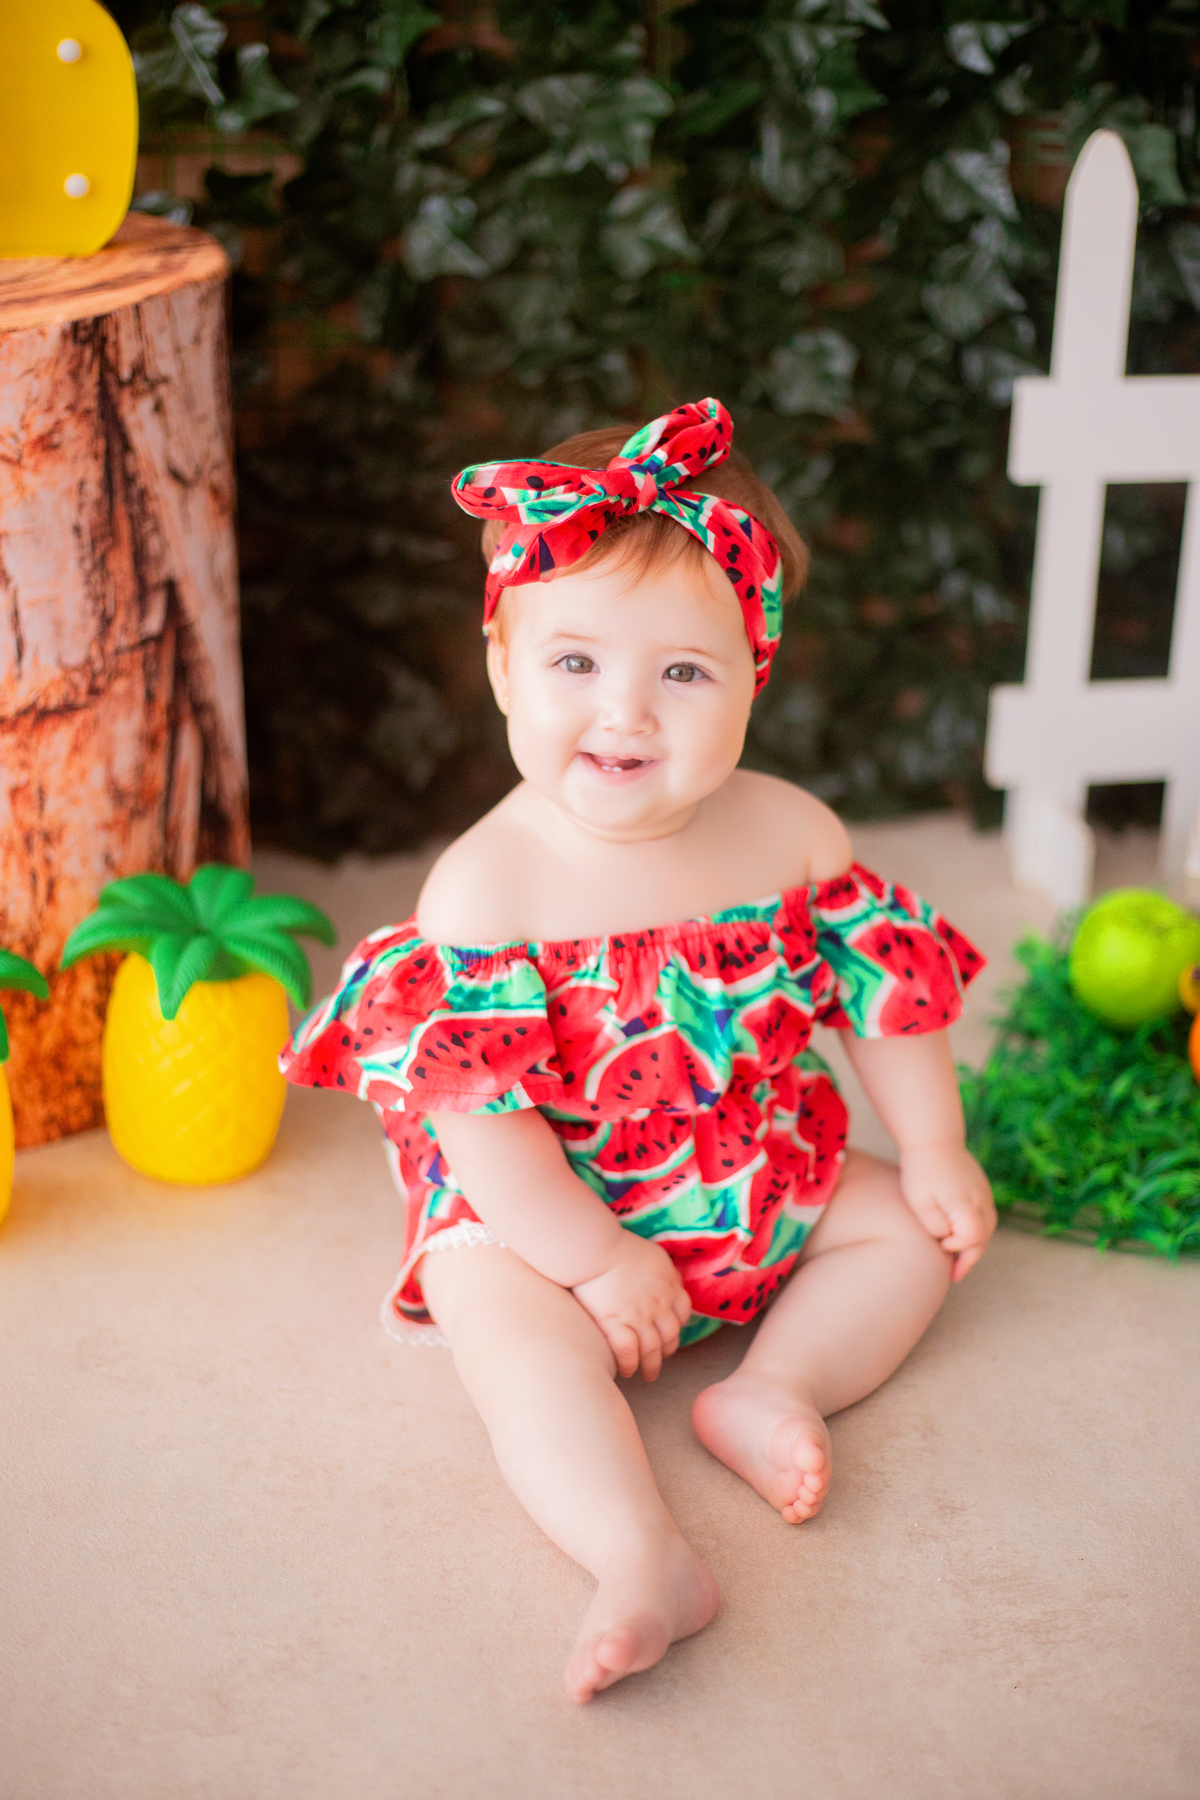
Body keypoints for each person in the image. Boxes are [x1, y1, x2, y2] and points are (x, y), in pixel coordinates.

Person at [280, 398, 996, 1704]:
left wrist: (936, 1145)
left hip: (754, 1167)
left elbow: (886, 996)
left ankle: (775, 1388)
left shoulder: (793, 836)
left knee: (909, 1234)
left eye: (683, 673)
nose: (627, 712)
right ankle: (638, 1555)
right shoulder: (486, 892)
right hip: (544, 1210)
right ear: (503, 668)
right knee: (505, 1334)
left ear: (753, 677)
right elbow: (484, 1125)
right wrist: (596, 1260)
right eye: (575, 662)